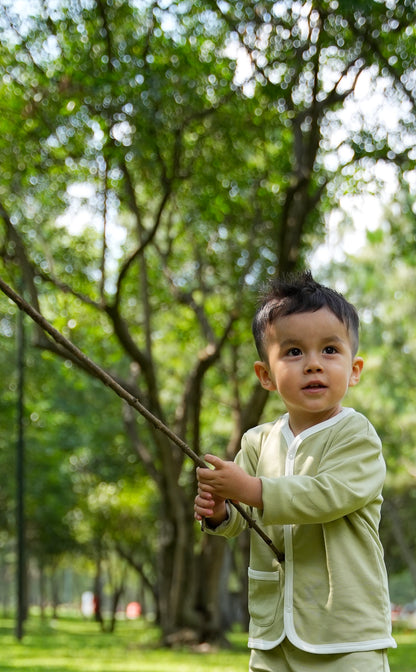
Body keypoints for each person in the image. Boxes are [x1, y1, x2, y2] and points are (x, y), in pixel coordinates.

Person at [194, 270, 396, 672]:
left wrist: (249, 489)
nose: (313, 365)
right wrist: (220, 511)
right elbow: (243, 517)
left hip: (346, 634)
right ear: (266, 375)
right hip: (272, 635)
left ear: (354, 370)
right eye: (293, 352)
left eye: (330, 351)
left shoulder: (356, 435)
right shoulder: (257, 441)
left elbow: (326, 496)